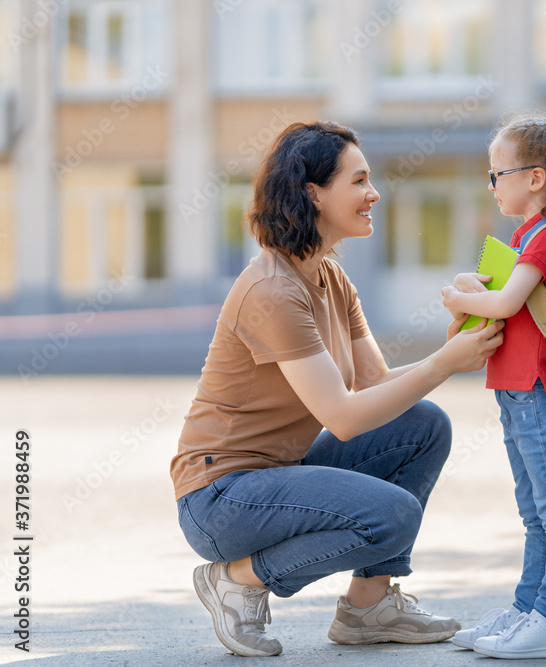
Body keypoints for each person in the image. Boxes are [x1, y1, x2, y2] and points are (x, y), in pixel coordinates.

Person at [170, 120, 504, 657]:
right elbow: (344, 418)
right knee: (393, 516)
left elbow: (373, 384)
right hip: (221, 501)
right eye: (359, 181)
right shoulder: (272, 290)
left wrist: (452, 351)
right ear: (313, 194)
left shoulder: (329, 277)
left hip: (278, 478)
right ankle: (237, 579)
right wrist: (443, 364)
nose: (374, 194)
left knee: (423, 424)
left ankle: (368, 607)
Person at [440, 114, 546, 660]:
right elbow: (503, 307)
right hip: (514, 389)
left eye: (497, 173)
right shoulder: (524, 235)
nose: (492, 184)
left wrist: (458, 299)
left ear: (534, 178)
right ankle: (528, 608)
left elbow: (503, 304)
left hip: (537, 389)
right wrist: (469, 290)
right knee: (534, 511)